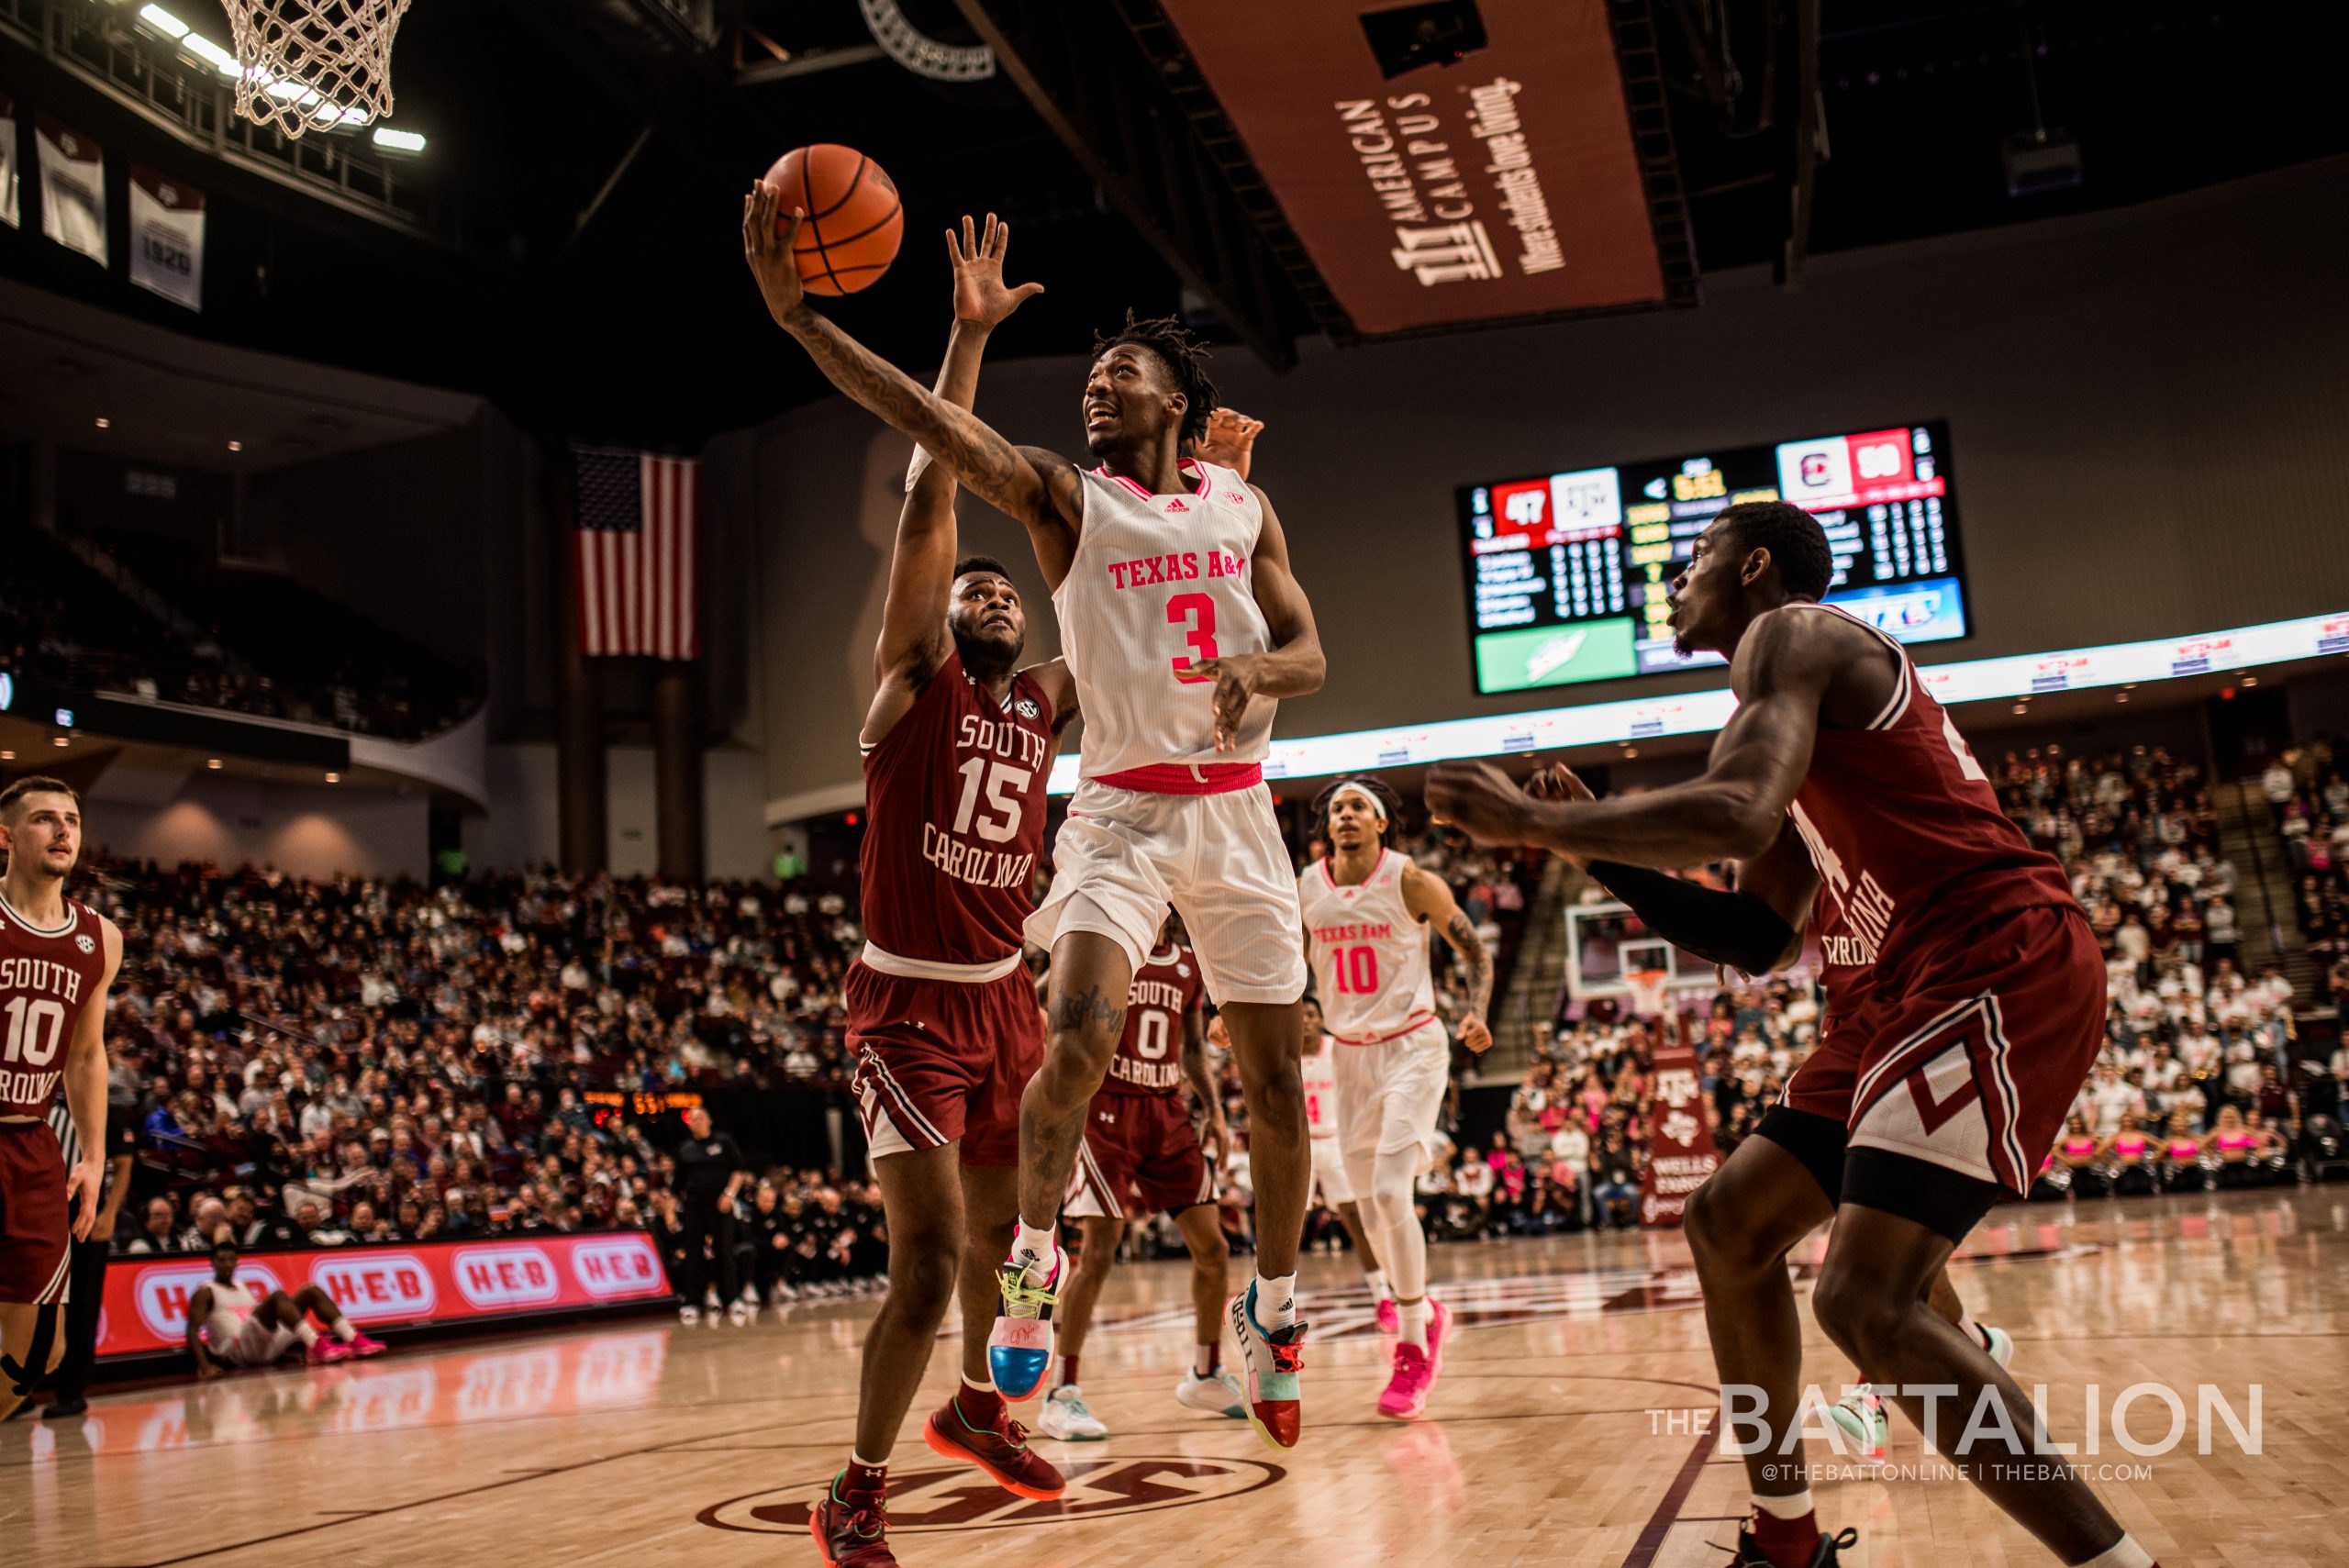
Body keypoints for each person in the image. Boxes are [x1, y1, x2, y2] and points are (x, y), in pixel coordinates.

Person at [1425, 501, 2156, 1568]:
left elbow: (1733, 814)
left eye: (1694, 559)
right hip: (1889, 993)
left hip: (1989, 952)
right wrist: (1594, 856)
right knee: (1727, 1223)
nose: (1674, 580)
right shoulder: (1796, 725)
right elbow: (1753, 936)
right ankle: (1787, 1543)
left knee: (1862, 1295)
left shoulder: (1792, 634)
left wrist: (1533, 823)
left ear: (1755, 566)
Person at [746, 183, 1323, 1451]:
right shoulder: (1068, 498)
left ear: (1174, 397)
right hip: (1118, 810)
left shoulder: (1242, 504)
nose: (1094, 391)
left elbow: (1310, 651)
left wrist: (1260, 676)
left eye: (1118, 375)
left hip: (1233, 812)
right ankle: (1028, 1271)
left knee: (1277, 1090)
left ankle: (1277, 1316)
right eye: (1091, 381)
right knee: (1075, 1031)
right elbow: (931, 429)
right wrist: (804, 326)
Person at [809, 216, 1077, 1568]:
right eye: (975, 587)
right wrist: (968, 340)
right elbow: (934, 500)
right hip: (906, 1008)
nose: (992, 596)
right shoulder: (912, 686)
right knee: (922, 1269)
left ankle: (982, 1408)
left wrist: (1198, 485)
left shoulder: (1042, 701)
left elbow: (1125, 595)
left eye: (1005, 592)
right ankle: (856, 1487)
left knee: (1013, 1250)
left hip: (1010, 1005)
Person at [1297, 776, 1491, 1420]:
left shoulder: (1411, 880)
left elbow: (1474, 949)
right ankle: (1426, 1308)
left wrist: (1478, 1011)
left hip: (1413, 1044)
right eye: (1337, 807)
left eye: (1359, 807)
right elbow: (1288, 969)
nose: (1345, 814)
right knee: (1369, 1208)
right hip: (1346, 1053)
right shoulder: (1307, 888)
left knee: (1387, 1191)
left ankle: (1412, 1344)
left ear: (1382, 822)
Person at [1038, 921, 1246, 1440]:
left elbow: (1194, 1047)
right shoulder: (1104, 945)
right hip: (1105, 1109)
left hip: (1167, 1109)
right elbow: (1033, 994)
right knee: (1101, 1250)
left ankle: (1205, 1373)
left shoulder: (1188, 962)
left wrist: (1214, 1111)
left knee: (1213, 1247)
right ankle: (1061, 1392)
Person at [0, 777, 120, 1424]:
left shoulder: (99, 938)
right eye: (45, 819)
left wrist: (95, 1157)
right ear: (6, 836)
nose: (63, 830)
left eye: (71, 819)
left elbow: (85, 1055)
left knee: (39, 1356)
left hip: (34, 1144)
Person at [33, 1077, 135, 1418]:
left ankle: (71, 1390)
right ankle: (22, 1388)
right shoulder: (40, 1101)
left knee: (81, 1303)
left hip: (85, 1211)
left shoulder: (109, 1108)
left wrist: (109, 1213)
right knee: (35, 1302)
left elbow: (123, 1166)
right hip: (38, 1209)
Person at [1297, 998, 1397, 1329]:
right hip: (1303, 1146)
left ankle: (1382, 1296)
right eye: (1299, 1016)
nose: (1305, 1021)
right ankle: (1281, 1302)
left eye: (1311, 1015)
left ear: (1322, 1018)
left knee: (1357, 1220)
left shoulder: (1336, 1050)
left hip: (1337, 1142)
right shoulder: (1287, 1053)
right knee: (1292, 1225)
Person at [185, 1239, 383, 1374]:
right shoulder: (206, 1291)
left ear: (237, 1262)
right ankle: (314, 1344)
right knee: (277, 1296)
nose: (226, 1264)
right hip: (236, 1350)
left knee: (310, 1290)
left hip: (261, 1349)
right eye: (221, 1260)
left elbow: (259, 1327)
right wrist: (204, 1364)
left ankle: (352, 1338)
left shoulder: (242, 1286)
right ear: (212, 1263)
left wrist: (281, 1354)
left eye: (230, 1260)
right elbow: (192, 1329)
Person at [673, 1106, 749, 1324]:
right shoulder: (684, 1149)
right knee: (693, 1253)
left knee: (724, 1250)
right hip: (694, 1207)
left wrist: (730, 1194)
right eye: (692, 1119)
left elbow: (739, 1170)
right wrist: (671, 1211)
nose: (696, 1122)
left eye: (700, 1118)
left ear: (709, 1120)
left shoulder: (724, 1142)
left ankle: (732, 1299)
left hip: (721, 1205)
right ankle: (692, 1302)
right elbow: (676, 1186)